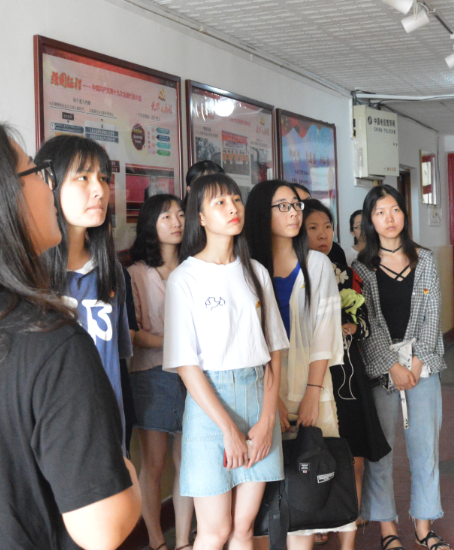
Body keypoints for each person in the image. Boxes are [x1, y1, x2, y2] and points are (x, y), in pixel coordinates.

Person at [0, 120, 141, 550]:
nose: (48, 187)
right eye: (38, 173)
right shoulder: (51, 341)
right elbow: (103, 528)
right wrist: (128, 473)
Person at [163, 173, 287, 550]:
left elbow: (274, 350)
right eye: (219, 202)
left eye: (235, 199)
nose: (232, 208)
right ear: (200, 217)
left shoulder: (256, 272)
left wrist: (267, 420)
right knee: (214, 531)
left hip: (257, 398)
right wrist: (228, 429)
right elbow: (186, 364)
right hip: (209, 406)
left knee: (244, 529)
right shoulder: (184, 278)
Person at [245, 180, 353, 550]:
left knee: (308, 487)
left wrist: (312, 393)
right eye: (284, 206)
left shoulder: (317, 264)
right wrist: (270, 397)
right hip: (262, 392)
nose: (294, 213)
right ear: (262, 213)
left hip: (312, 387)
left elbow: (325, 334)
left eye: (296, 205)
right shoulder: (248, 266)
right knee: (263, 493)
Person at [352, 185, 453, 550]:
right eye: (380, 212)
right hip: (382, 368)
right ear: (370, 220)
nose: (389, 218)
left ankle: (424, 528)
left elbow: (432, 315)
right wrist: (392, 365)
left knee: (425, 448)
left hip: (423, 365)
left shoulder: (425, 259)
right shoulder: (361, 267)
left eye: (394, 209)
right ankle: (388, 531)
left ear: (404, 214)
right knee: (381, 452)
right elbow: (367, 323)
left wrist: (416, 361)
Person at [303, 199, 392, 550]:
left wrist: (355, 325)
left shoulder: (344, 267)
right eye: (313, 228)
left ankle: (348, 527)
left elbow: (366, 319)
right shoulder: (292, 271)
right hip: (313, 376)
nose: (323, 234)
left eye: (327, 227)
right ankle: (317, 520)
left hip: (348, 375)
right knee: (317, 456)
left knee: (353, 457)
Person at [36, 135, 133, 448]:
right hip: (49, 436)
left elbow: (116, 362)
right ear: (48, 183)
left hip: (106, 433)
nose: (99, 190)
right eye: (83, 177)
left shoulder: (110, 271)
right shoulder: (26, 274)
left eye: (103, 178)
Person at [128, 194, 194, 550]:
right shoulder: (137, 273)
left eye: (180, 214)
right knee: (153, 465)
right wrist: (174, 343)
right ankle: (156, 540)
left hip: (193, 373)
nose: (176, 221)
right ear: (150, 225)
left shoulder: (194, 267)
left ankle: (182, 540)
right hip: (152, 374)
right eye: (166, 216)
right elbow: (133, 333)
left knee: (186, 462)